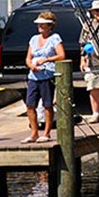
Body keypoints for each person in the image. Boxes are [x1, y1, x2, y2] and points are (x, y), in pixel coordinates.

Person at [23, 11, 65, 143]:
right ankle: (34, 133)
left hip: (47, 76)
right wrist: (31, 65)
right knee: (30, 105)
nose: (39, 26)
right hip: (33, 76)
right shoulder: (34, 39)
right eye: (39, 24)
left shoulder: (55, 38)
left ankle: (46, 133)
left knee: (47, 105)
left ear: (49, 25)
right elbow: (28, 58)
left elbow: (61, 55)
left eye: (42, 24)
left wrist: (46, 60)